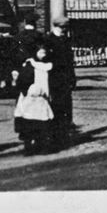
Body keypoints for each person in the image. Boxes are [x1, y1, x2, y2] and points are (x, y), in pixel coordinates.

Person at [13, 44, 54, 155]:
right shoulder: (29, 65)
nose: (42, 55)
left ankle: (41, 145)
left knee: (42, 123)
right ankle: (28, 147)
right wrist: (30, 90)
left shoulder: (47, 65)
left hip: (42, 99)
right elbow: (23, 80)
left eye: (44, 53)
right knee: (29, 122)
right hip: (30, 99)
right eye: (40, 53)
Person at [45, 18, 75, 150]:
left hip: (66, 78)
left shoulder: (66, 40)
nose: (64, 31)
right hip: (54, 79)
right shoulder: (48, 41)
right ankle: (55, 137)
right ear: (57, 27)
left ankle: (65, 135)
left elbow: (70, 62)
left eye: (65, 28)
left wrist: (72, 78)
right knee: (55, 107)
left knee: (66, 107)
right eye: (62, 28)